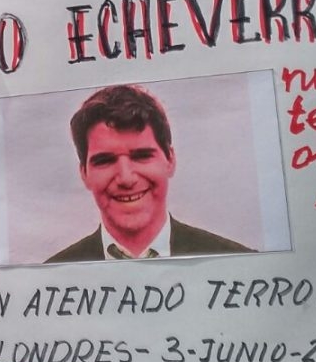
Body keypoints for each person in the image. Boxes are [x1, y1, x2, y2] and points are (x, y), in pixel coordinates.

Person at [45, 84, 252, 264]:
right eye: (105, 161)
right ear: (84, 173)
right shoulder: (51, 277)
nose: (126, 178)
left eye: (141, 156)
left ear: (170, 159)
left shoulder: (238, 263)